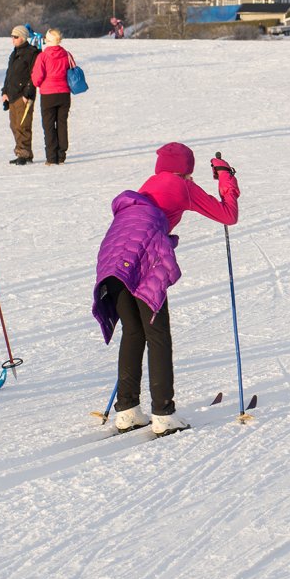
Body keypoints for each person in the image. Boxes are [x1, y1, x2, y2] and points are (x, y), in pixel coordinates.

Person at [91, 143, 241, 434]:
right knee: (157, 334)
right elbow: (227, 215)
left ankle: (127, 410)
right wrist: (226, 177)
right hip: (141, 260)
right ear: (186, 169)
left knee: (133, 332)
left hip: (112, 259)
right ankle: (163, 414)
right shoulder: (182, 186)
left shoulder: (150, 184)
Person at [29, 28, 75, 165]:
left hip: (48, 95)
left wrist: (36, 82)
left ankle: (51, 157)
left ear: (48, 40)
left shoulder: (43, 56)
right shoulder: (67, 54)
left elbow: (37, 78)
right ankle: (61, 156)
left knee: (48, 126)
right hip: (64, 94)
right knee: (62, 124)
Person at [0, 24, 39, 165]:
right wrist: (4, 91)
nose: (13, 39)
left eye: (15, 37)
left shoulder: (32, 53)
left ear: (22, 37)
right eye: (12, 36)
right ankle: (21, 152)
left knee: (23, 125)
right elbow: (9, 74)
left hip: (23, 96)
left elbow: (34, 75)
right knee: (14, 125)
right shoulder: (14, 53)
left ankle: (24, 154)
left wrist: (27, 94)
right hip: (12, 95)